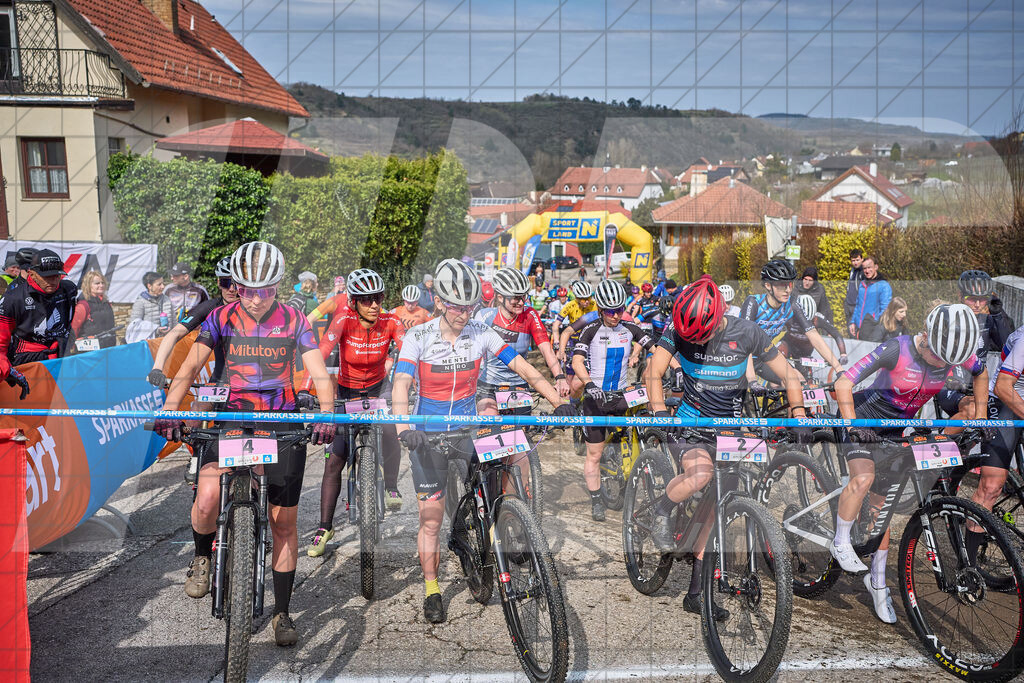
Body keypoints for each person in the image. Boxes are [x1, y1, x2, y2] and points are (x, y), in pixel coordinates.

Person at [153, 241, 336, 647]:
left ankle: (283, 612)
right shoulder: (220, 317)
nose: (256, 299)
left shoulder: (294, 318)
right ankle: (202, 556)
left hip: (280, 421)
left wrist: (325, 414)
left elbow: (318, 372)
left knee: (283, 523)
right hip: (232, 416)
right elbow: (189, 367)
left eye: (266, 290)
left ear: (277, 286)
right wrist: (170, 408)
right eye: (248, 289)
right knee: (204, 500)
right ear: (237, 285)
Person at [391, 259, 571, 623]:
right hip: (428, 434)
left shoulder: (480, 333)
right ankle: (432, 588)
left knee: (496, 487)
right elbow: (401, 386)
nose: (464, 314)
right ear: (440, 302)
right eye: (458, 307)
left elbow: (524, 368)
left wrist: (558, 400)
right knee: (431, 519)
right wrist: (404, 430)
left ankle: (501, 535)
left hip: (469, 429)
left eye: (471, 306)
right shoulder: (419, 336)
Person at [645, 275, 805, 620]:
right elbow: (653, 372)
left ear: (719, 317)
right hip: (690, 423)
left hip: (729, 429)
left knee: (717, 508)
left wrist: (799, 413)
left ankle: (696, 593)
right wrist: (659, 410)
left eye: (703, 334)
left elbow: (789, 375)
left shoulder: (748, 332)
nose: (697, 341)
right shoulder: (677, 328)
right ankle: (661, 508)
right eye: (692, 337)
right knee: (700, 474)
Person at [829, 303, 989, 624]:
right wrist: (853, 426)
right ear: (927, 337)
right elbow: (843, 383)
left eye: (950, 362)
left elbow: (981, 371)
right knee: (863, 477)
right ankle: (840, 541)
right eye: (938, 357)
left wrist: (981, 412)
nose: (943, 365)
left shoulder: (955, 354)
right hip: (860, 419)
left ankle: (877, 583)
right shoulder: (896, 349)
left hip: (894, 432)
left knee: (881, 509)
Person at [303, 268, 405, 557]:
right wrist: (305, 387)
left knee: (390, 430)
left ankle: (392, 487)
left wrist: (416, 377)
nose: (374, 305)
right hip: (347, 394)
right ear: (353, 302)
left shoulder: (390, 320)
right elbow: (320, 352)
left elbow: (409, 349)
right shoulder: (344, 319)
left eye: (379, 298)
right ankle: (325, 526)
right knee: (335, 459)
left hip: (378, 390)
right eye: (366, 299)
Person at [570, 279, 656, 521]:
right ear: (600, 309)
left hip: (619, 395)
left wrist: (677, 369)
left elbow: (657, 351)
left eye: (619, 309)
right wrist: (589, 384)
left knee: (637, 433)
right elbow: (577, 361)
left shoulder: (630, 328)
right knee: (594, 455)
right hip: (595, 399)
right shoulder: (591, 330)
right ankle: (597, 500)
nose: (616, 315)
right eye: (610, 311)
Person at [740, 260, 844, 376]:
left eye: (790, 284)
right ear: (768, 285)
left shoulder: (791, 303)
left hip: (763, 356)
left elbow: (814, 335)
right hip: (741, 357)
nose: (788, 290)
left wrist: (839, 369)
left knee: (797, 379)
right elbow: (745, 343)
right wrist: (751, 379)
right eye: (782, 285)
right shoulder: (753, 302)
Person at [147, 258, 238, 387]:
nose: (231, 289)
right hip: (219, 380)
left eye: (237, 284)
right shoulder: (210, 307)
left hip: (249, 383)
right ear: (218, 282)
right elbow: (173, 334)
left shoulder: (256, 309)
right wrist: (157, 369)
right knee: (199, 405)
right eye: (225, 282)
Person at [0, 249, 78, 399]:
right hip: (27, 363)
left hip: (60, 359)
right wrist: (7, 370)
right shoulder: (13, 298)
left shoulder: (69, 289)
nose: (53, 281)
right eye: (47, 277)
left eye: (56, 276)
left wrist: (68, 342)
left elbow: (69, 323)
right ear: (32, 273)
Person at [782, 294, 848, 372]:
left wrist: (843, 353)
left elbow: (836, 334)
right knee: (781, 352)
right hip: (789, 346)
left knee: (806, 377)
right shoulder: (789, 316)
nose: (804, 323)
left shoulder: (818, 319)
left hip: (805, 352)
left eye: (810, 321)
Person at [959, 270, 1015, 354]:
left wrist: (998, 314)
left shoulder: (988, 320)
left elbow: (1006, 348)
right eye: (972, 299)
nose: (977, 305)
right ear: (960, 296)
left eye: (982, 299)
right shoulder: (951, 318)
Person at [71, 270, 117, 350]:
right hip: (88, 352)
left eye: (102, 283)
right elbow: (74, 329)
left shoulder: (106, 303)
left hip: (108, 348)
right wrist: (72, 347)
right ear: (88, 285)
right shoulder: (83, 305)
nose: (101, 285)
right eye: (97, 283)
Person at [849, 257, 892, 341]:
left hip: (872, 329)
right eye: (865, 268)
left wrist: (875, 327)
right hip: (859, 329)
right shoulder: (862, 284)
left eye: (869, 267)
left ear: (876, 267)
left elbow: (885, 310)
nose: (867, 271)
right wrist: (853, 322)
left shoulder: (884, 286)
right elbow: (857, 305)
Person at [129, 271, 173, 339]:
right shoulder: (140, 302)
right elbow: (135, 325)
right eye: (159, 284)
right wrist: (156, 331)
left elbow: (174, 322)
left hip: (168, 341)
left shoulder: (167, 299)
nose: (163, 286)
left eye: (163, 283)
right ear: (149, 286)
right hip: (150, 344)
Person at [844, 248, 865, 327]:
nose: (855, 262)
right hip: (849, 304)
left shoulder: (863, 272)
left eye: (857, 260)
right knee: (849, 329)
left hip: (857, 306)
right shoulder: (852, 271)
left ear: (862, 259)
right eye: (853, 260)